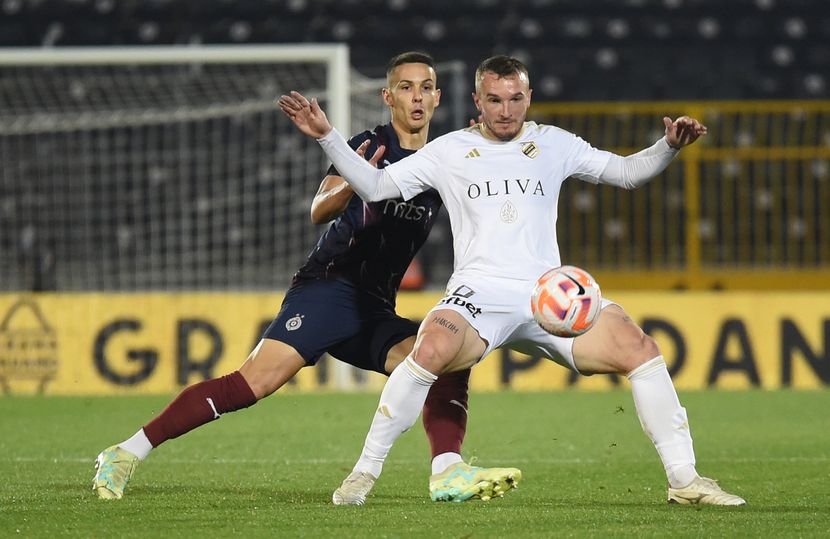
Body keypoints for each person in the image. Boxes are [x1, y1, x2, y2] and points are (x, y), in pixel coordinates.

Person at [278, 55, 746, 506]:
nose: (506, 110)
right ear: (477, 102)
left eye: (515, 98)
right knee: (430, 351)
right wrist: (328, 138)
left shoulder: (555, 143)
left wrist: (668, 147)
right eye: (495, 100)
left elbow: (624, 173)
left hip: (550, 297)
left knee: (640, 349)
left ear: (529, 98)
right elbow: (377, 186)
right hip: (479, 292)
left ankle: (685, 479)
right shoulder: (449, 151)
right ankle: (365, 472)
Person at [92, 52, 520, 505]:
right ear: (388, 96)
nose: (416, 96)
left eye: (425, 87)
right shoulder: (368, 145)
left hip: (374, 307)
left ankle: (447, 471)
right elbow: (319, 210)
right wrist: (359, 177)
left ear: (437, 97)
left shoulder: (445, 159)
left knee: (446, 358)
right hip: (328, 289)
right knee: (251, 385)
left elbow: (494, 168)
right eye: (406, 87)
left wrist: (490, 138)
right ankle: (124, 453)